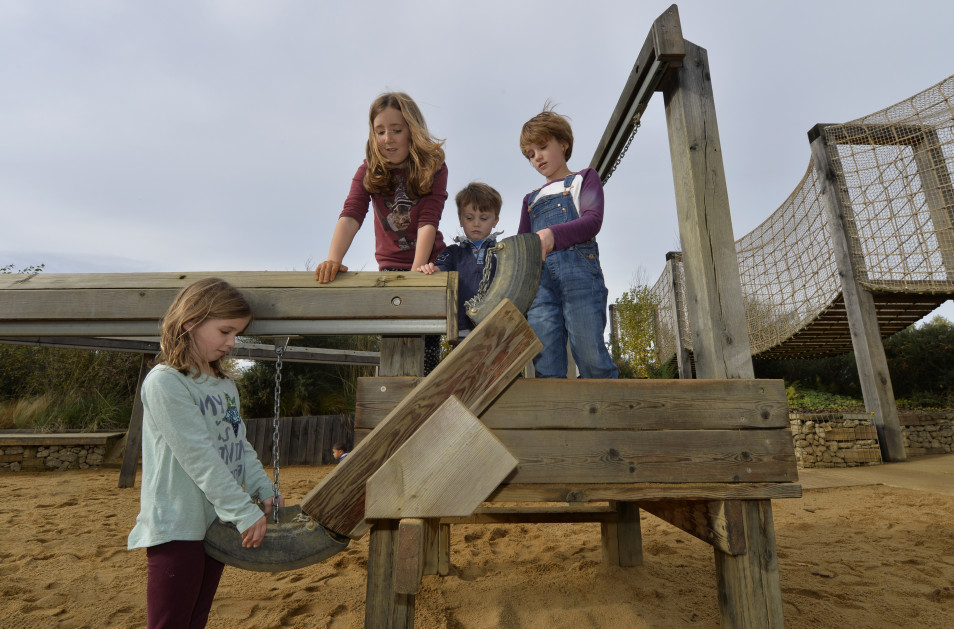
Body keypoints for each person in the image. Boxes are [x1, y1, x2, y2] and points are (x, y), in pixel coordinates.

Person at [127, 277, 283, 629]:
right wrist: (244, 512)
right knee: (170, 622)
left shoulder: (225, 385)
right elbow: (199, 456)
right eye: (225, 331)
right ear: (191, 323)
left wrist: (262, 488)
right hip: (177, 526)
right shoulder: (167, 382)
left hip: (217, 522)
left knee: (196, 619)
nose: (232, 342)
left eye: (237, 334)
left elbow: (238, 442)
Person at [314, 91, 449, 373]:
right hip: (390, 268)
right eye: (380, 131)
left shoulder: (433, 167)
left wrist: (415, 274)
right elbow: (351, 214)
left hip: (427, 267)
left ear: (412, 131)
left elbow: (428, 219)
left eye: (396, 130)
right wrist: (333, 259)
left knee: (426, 352)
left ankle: (426, 398)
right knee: (393, 346)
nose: (388, 138)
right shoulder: (369, 170)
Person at [518, 107, 619, 379]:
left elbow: (592, 220)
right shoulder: (530, 200)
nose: (537, 157)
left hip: (580, 277)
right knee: (546, 360)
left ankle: (608, 416)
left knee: (589, 354)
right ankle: (555, 419)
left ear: (563, 143)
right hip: (541, 286)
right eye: (530, 154)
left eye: (542, 147)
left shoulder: (583, 180)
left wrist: (552, 235)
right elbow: (523, 248)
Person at [419, 182, 502, 338]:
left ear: (495, 220)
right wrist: (433, 270)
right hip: (462, 328)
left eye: (483, 218)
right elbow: (441, 270)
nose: (476, 223)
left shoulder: (503, 253)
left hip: (497, 326)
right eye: (469, 218)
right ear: (461, 219)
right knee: (466, 362)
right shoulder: (452, 253)